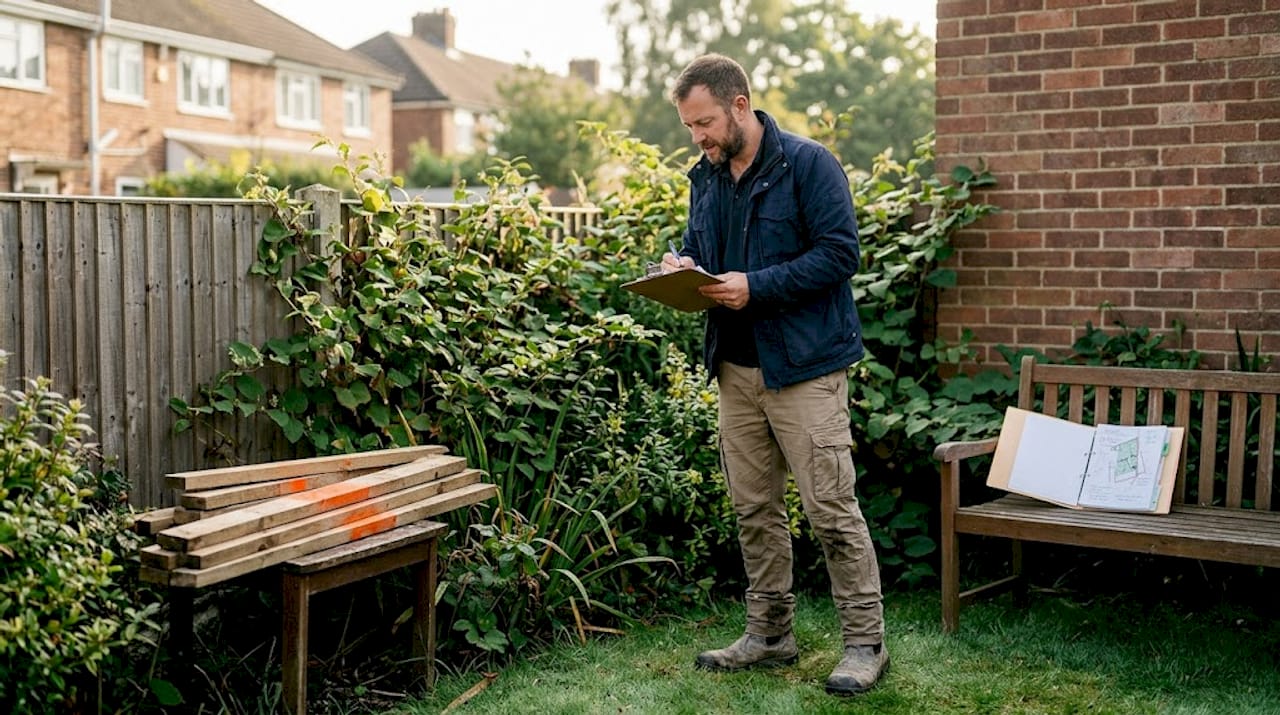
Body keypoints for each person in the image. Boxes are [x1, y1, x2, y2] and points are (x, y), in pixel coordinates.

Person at [661, 53, 888, 696]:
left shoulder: (809, 164)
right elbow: (708, 254)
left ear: (740, 105)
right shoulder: (703, 177)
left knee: (830, 509)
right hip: (735, 369)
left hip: (806, 369)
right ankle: (769, 635)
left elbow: (841, 253)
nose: (698, 137)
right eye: (689, 127)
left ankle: (865, 643)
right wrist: (684, 267)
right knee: (753, 507)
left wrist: (754, 286)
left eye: (704, 122)